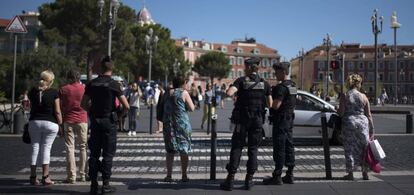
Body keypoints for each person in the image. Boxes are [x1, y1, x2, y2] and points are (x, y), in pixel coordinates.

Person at [220, 58, 272, 191]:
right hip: (257, 121)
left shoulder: (242, 81)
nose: (244, 69)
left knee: (237, 147)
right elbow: (270, 104)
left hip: (242, 120)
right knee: (253, 149)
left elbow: (229, 93)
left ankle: (230, 180)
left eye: (245, 66)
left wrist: (235, 92)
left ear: (249, 67)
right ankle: (249, 180)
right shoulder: (264, 84)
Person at [81, 56, 129, 194]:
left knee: (94, 154)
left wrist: (91, 112)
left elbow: (83, 104)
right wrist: (118, 117)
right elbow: (126, 106)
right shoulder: (114, 84)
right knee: (108, 154)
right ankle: (106, 184)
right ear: (112, 69)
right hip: (109, 122)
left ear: (101, 68)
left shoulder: (91, 83)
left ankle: (94, 184)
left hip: (95, 121)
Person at [263, 62, 297, 185]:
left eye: (277, 72)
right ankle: (290, 174)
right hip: (289, 120)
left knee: (279, 147)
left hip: (281, 121)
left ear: (283, 72)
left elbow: (276, 105)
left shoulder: (281, 88)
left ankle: (277, 176)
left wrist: (268, 98)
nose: (275, 74)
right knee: (289, 145)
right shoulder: (293, 86)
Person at [27, 70, 62, 186]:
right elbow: (57, 111)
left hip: (34, 122)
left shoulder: (33, 91)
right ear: (51, 81)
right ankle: (45, 177)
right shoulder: (54, 92)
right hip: (50, 123)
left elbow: (32, 107)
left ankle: (32, 176)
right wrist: (61, 124)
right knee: (46, 149)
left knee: (35, 148)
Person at [338, 74, 374, 180]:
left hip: (350, 123)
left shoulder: (345, 95)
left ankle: (350, 174)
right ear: (359, 84)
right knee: (364, 147)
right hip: (363, 123)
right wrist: (372, 129)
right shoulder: (364, 97)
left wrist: (337, 109)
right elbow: (369, 115)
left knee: (350, 148)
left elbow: (341, 113)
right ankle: (365, 173)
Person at [162, 75, 195, 182]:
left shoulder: (167, 92)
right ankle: (184, 175)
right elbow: (192, 108)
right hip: (182, 124)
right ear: (183, 83)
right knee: (183, 149)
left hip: (168, 124)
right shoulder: (183, 93)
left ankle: (169, 175)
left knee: (170, 150)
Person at [59, 69, 88, 184]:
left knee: (70, 148)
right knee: (83, 147)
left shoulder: (63, 89)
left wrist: (60, 123)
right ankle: (83, 174)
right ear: (79, 77)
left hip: (68, 119)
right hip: (82, 119)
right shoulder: (84, 88)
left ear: (69, 78)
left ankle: (71, 176)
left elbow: (60, 106)